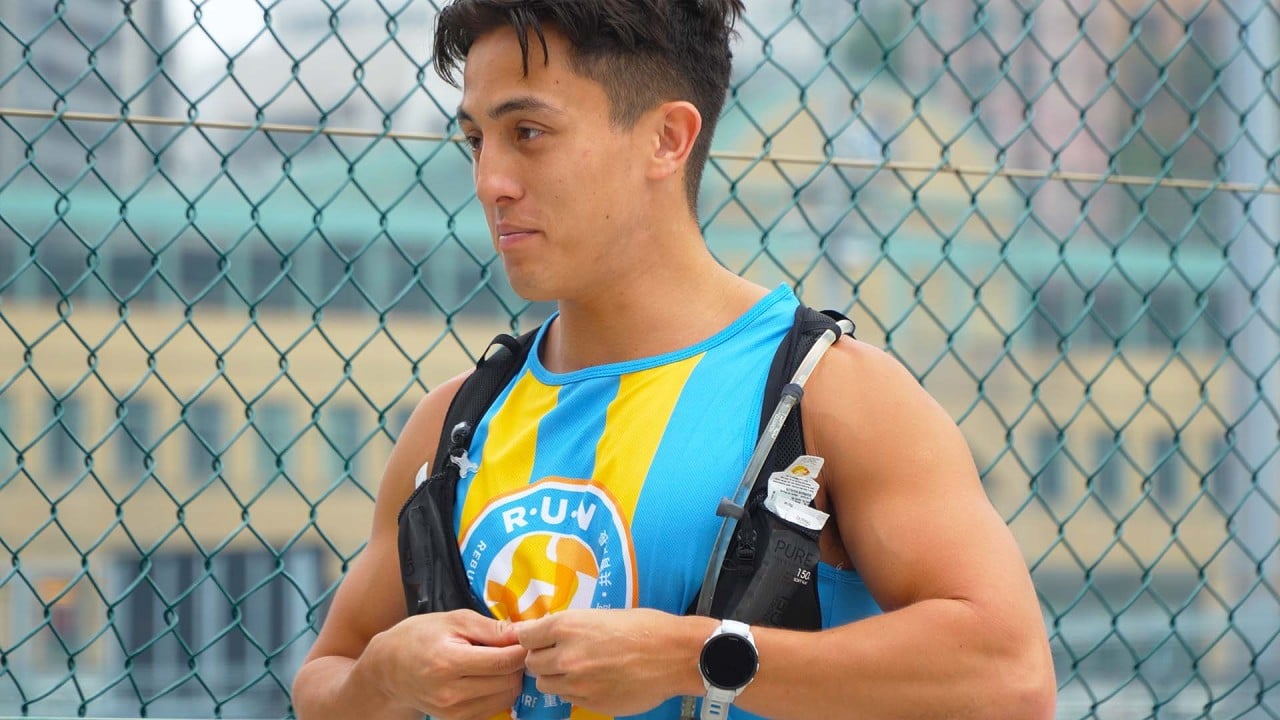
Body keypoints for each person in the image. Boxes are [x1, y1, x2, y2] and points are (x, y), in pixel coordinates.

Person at [291, 2, 1057, 719]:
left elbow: (1012, 675)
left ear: (667, 139)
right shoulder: (454, 421)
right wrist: (383, 678)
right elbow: (323, 680)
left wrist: (694, 657)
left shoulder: (828, 391)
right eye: (475, 140)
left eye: (527, 132)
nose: (490, 180)